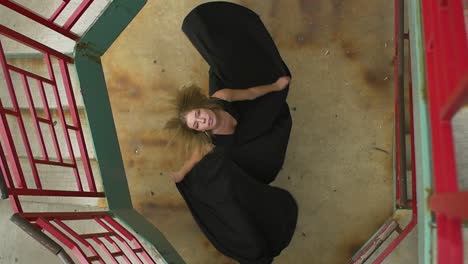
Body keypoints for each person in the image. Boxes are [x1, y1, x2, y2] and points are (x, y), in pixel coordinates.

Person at [165, 2, 298, 263]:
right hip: (229, 164)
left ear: (201, 105)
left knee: (268, 112)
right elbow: (195, 159)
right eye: (198, 125)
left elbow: (250, 93)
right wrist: (181, 174)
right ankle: (255, 249)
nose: (202, 121)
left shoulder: (221, 96)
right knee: (235, 208)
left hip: (248, 125)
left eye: (199, 115)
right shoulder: (208, 142)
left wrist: (275, 85)